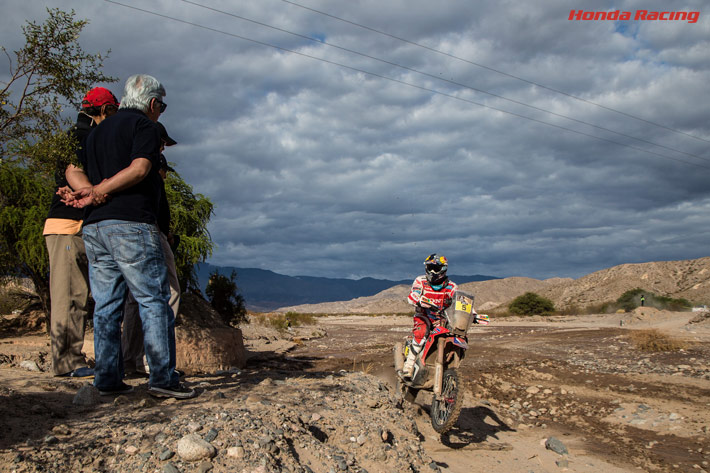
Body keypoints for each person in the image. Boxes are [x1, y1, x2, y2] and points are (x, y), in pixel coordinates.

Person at [64, 74, 195, 399]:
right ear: (152, 103)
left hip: (95, 227)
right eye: (161, 106)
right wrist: (98, 192)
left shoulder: (96, 133)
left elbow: (73, 170)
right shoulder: (145, 127)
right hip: (131, 222)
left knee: (106, 304)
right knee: (153, 299)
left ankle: (107, 378)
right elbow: (140, 169)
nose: (160, 112)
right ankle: (163, 378)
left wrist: (88, 193)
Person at [43, 87, 119, 378]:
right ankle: (66, 361)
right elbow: (73, 171)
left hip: (74, 225)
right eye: (111, 111)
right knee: (70, 295)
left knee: (78, 293)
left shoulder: (80, 135)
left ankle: (71, 357)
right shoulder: (81, 136)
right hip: (67, 225)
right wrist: (96, 193)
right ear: (104, 111)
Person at [122, 123, 180, 378]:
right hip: (149, 230)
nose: (163, 146)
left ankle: (130, 360)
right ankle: (160, 364)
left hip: (131, 229)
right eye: (162, 141)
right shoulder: (150, 163)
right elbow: (156, 201)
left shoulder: (128, 158)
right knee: (168, 293)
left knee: (135, 297)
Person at [401, 254, 458, 379]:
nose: (432, 271)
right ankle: (409, 365)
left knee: (457, 336)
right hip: (424, 316)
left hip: (443, 320)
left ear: (443, 269)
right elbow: (413, 295)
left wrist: (473, 314)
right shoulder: (421, 281)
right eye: (430, 267)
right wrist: (419, 300)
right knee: (421, 333)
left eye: (436, 268)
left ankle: (450, 370)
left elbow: (460, 302)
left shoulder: (451, 287)